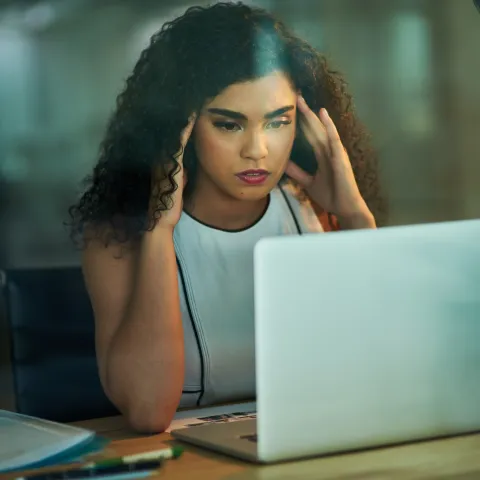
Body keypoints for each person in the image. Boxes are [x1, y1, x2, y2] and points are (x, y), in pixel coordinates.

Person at [68, 2, 387, 433]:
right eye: (229, 125)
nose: (257, 150)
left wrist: (354, 216)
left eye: (277, 122)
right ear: (180, 128)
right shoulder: (116, 238)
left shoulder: (315, 212)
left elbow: (380, 373)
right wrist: (160, 229)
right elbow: (148, 412)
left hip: (308, 438)